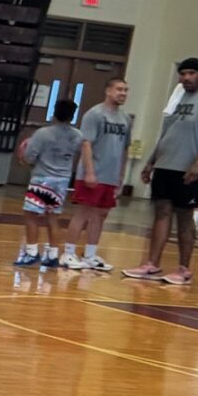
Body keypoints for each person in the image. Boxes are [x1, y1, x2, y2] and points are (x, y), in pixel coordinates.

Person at [126, 58, 198, 286]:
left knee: (184, 216)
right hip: (166, 163)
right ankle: (151, 264)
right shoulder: (177, 95)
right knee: (161, 212)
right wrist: (151, 161)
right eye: (182, 74)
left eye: (191, 73)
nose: (186, 78)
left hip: (191, 167)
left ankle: (184, 269)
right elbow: (166, 131)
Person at [68, 79, 133, 273]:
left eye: (126, 90)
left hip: (110, 176)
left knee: (101, 215)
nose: (123, 93)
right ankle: (69, 252)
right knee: (84, 212)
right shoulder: (95, 114)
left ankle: (90, 254)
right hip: (93, 172)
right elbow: (86, 143)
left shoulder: (125, 119)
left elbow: (125, 149)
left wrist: (121, 176)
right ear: (108, 90)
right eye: (119, 89)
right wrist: (89, 171)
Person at [15, 105, 83, 268]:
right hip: (62, 180)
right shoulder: (78, 135)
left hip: (42, 179)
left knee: (31, 215)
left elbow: (30, 157)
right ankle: (52, 255)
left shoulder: (43, 133)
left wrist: (23, 157)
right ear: (72, 116)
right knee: (53, 217)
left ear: (54, 113)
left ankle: (31, 252)